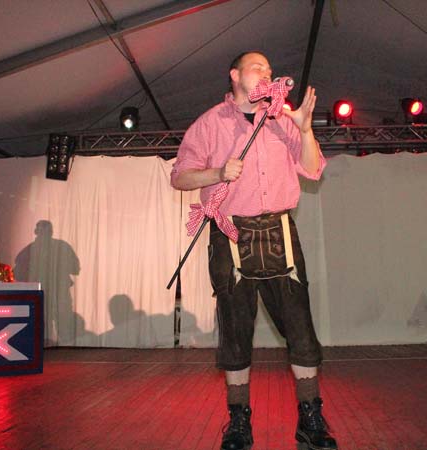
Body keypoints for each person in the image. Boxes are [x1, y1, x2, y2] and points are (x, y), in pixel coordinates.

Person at [171, 51, 337, 450]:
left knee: (300, 328)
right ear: (235, 75)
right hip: (230, 234)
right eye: (257, 67)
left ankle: (310, 419)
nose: (266, 72)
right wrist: (217, 173)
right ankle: (238, 422)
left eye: (269, 68)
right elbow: (179, 177)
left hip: (279, 231)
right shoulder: (210, 123)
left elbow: (313, 169)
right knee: (235, 331)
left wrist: (305, 129)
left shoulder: (283, 119)